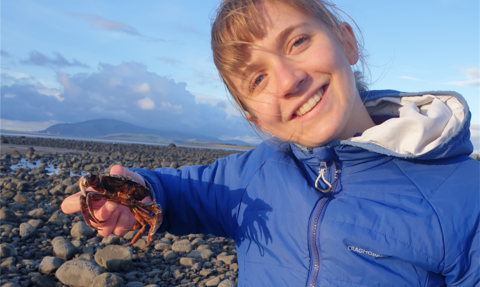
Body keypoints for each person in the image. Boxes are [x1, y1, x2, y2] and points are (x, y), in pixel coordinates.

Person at [62, 0, 480, 285]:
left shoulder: (465, 196)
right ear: (253, 116)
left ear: (347, 42)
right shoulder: (253, 174)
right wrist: (136, 192)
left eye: (298, 42)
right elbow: (180, 190)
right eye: (257, 78)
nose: (287, 79)